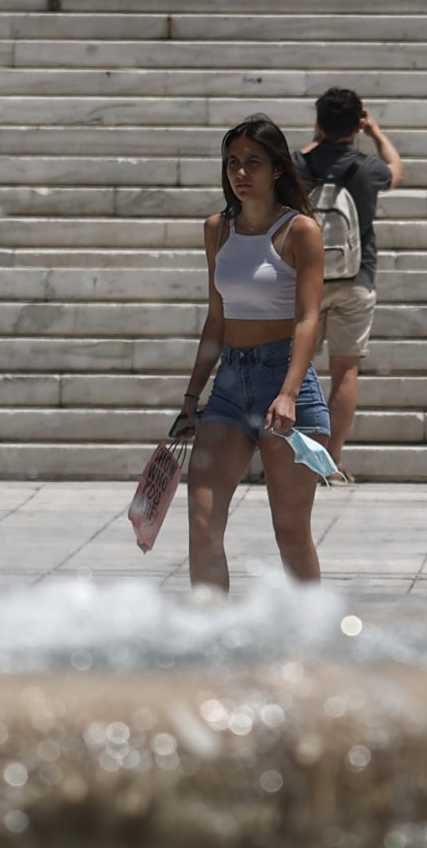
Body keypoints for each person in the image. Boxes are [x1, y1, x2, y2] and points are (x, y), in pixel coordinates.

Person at [172, 114, 330, 590]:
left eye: (253, 163)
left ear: (277, 169)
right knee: (201, 522)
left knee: (290, 532)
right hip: (228, 386)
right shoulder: (216, 229)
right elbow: (215, 319)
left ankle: (312, 638)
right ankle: (209, 634)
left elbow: (308, 319)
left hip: (286, 383)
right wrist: (190, 397)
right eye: (233, 163)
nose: (240, 173)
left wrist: (286, 393)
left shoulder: (300, 230)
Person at [295, 87, 402, 477]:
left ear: (319, 122)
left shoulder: (297, 164)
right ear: (358, 123)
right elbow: (396, 171)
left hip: (305, 280)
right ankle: (333, 458)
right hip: (357, 277)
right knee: (345, 372)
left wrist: (317, 138)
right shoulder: (367, 167)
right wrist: (374, 132)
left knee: (297, 368)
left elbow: (303, 156)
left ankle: (296, 456)